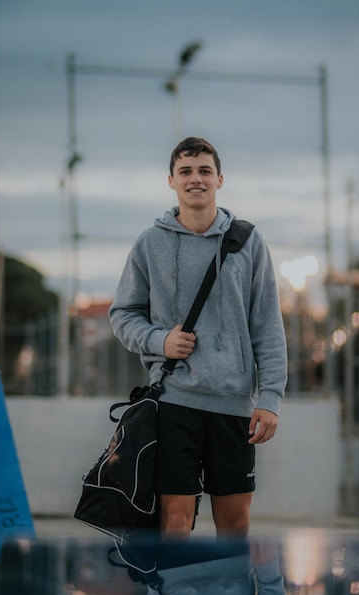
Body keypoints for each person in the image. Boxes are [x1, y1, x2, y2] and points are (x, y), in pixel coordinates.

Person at [109, 137, 287, 539]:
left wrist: (271, 398)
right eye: (186, 171)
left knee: (235, 524)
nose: (196, 179)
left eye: (204, 171)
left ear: (219, 179)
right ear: (171, 181)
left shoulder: (248, 243)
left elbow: (267, 325)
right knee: (174, 523)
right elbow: (122, 314)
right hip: (174, 402)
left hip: (234, 404)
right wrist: (159, 341)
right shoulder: (150, 243)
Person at [120, 537, 286, 595]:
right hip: (233, 560)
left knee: (176, 487)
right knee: (232, 486)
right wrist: (268, 572)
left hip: (170, 566)